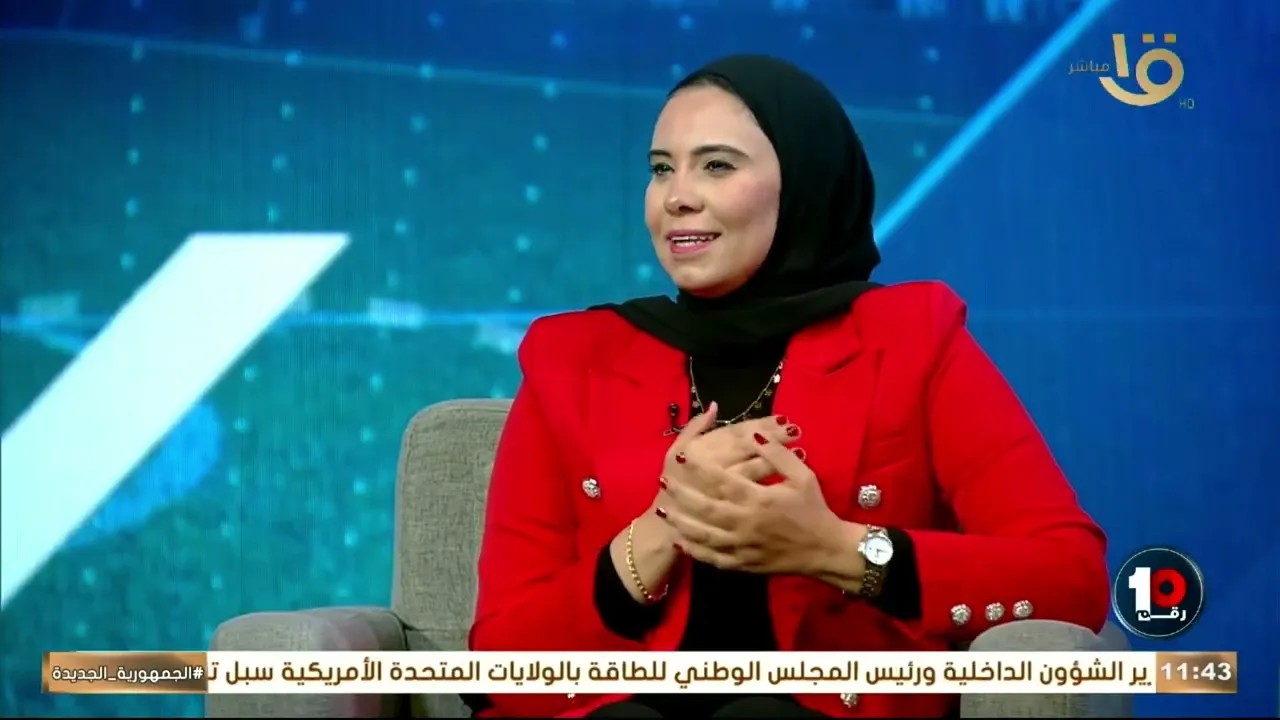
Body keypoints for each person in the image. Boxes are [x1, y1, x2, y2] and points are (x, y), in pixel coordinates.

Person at [466, 54, 1110, 719]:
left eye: (717, 165)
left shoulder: (913, 338)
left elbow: (1070, 578)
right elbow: (498, 661)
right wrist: (659, 534)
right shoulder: (571, 358)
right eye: (661, 169)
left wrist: (836, 551)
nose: (676, 196)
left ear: (804, 181)